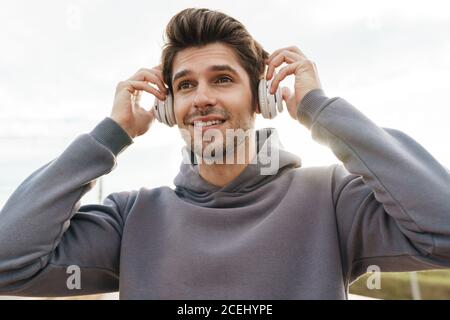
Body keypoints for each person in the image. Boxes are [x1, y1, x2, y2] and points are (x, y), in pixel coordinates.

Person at [1, 7, 450, 300]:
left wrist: (321, 111)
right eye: (185, 85)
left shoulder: (332, 200)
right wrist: (108, 137)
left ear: (262, 98)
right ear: (167, 109)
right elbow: (9, 264)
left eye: (222, 79)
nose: (200, 98)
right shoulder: (130, 216)